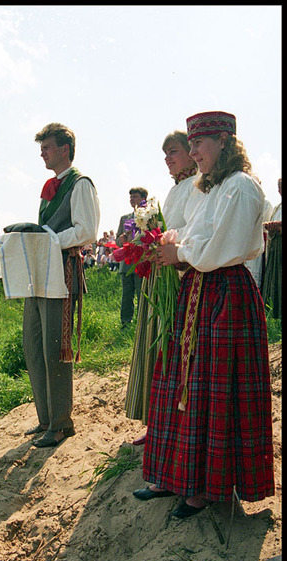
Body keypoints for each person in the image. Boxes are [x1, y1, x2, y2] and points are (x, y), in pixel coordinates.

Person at [134, 110, 274, 519]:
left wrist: (180, 253)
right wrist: (172, 249)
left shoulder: (241, 186)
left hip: (225, 296)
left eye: (199, 143)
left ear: (225, 142)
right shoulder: (208, 189)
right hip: (199, 290)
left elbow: (222, 247)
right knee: (183, 382)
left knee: (211, 389)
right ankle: (176, 476)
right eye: (191, 144)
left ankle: (205, 488)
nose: (193, 151)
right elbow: (194, 236)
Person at [22, 122, 100, 448]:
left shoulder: (81, 184)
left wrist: (51, 240)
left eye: (47, 147)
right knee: (33, 346)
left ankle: (60, 424)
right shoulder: (49, 186)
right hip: (41, 272)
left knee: (55, 350)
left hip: (63, 272)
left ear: (64, 149)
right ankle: (45, 419)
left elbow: (87, 232)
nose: (42, 152)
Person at [126, 131, 200, 444]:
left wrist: (163, 239)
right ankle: (154, 423)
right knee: (155, 347)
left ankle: (168, 424)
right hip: (161, 276)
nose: (168, 159)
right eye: (164, 154)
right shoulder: (174, 190)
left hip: (181, 277)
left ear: (191, 152)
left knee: (170, 350)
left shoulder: (198, 186)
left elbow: (194, 228)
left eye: (173, 152)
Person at [116, 187, 148, 327]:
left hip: (141, 262)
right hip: (126, 263)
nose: (132, 199)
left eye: (134, 196)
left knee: (142, 294)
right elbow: (117, 241)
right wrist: (121, 240)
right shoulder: (124, 218)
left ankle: (143, 323)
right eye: (130, 197)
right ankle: (125, 322)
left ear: (143, 199)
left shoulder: (149, 217)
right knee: (126, 295)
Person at [261, 178, 282, 319]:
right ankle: (275, 314)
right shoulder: (277, 208)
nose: (280, 190)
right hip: (276, 249)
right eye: (279, 187)